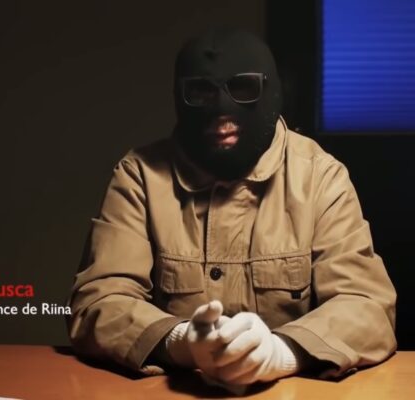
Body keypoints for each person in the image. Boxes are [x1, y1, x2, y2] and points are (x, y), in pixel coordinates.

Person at [67, 28, 396, 387]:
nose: (222, 111)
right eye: (201, 92)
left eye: (243, 88)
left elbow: (367, 306)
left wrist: (281, 352)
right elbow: (98, 301)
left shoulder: (319, 178)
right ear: (179, 97)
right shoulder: (140, 177)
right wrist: (181, 342)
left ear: (273, 91)